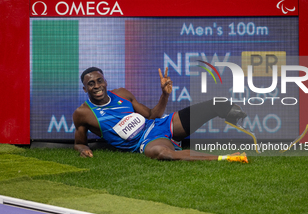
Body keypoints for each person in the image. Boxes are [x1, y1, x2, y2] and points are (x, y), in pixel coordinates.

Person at [73, 66, 248, 162]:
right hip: (146, 142)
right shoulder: (83, 113)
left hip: (160, 124)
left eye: (99, 81)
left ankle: (252, 136)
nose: (96, 86)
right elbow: (79, 143)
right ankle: (228, 158)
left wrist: (164, 94)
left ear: (105, 81)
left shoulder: (121, 93)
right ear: (84, 88)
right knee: (164, 154)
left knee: (216, 104)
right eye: (91, 83)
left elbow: (151, 115)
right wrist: (84, 149)